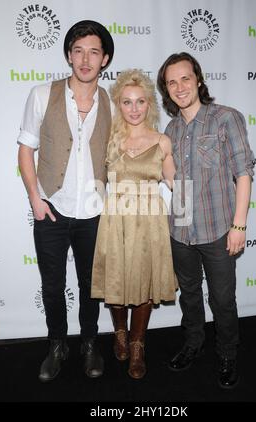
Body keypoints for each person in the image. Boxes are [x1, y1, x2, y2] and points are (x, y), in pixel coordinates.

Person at [17, 20, 114, 382]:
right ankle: (57, 344)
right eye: (78, 51)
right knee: (52, 285)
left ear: (104, 59)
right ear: (69, 55)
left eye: (93, 52)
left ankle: (90, 343)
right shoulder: (42, 94)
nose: (85, 59)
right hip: (51, 209)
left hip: (94, 211)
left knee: (92, 286)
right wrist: (35, 200)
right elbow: (26, 151)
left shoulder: (111, 101)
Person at [157, 52, 254, 389]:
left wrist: (239, 225)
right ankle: (193, 343)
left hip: (218, 230)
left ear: (198, 79)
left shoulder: (226, 118)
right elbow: (173, 180)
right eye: (172, 82)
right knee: (189, 294)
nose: (180, 86)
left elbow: (243, 173)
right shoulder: (169, 129)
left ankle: (227, 353)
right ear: (166, 90)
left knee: (223, 299)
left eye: (185, 78)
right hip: (180, 230)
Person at [91, 69, 177, 379]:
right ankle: (119, 332)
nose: (134, 108)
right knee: (116, 279)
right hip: (116, 219)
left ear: (149, 104)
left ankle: (138, 343)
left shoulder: (162, 140)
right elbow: (92, 178)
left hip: (150, 221)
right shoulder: (108, 139)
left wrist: (189, 221)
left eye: (140, 101)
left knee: (143, 284)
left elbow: (176, 183)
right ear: (118, 104)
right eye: (127, 102)